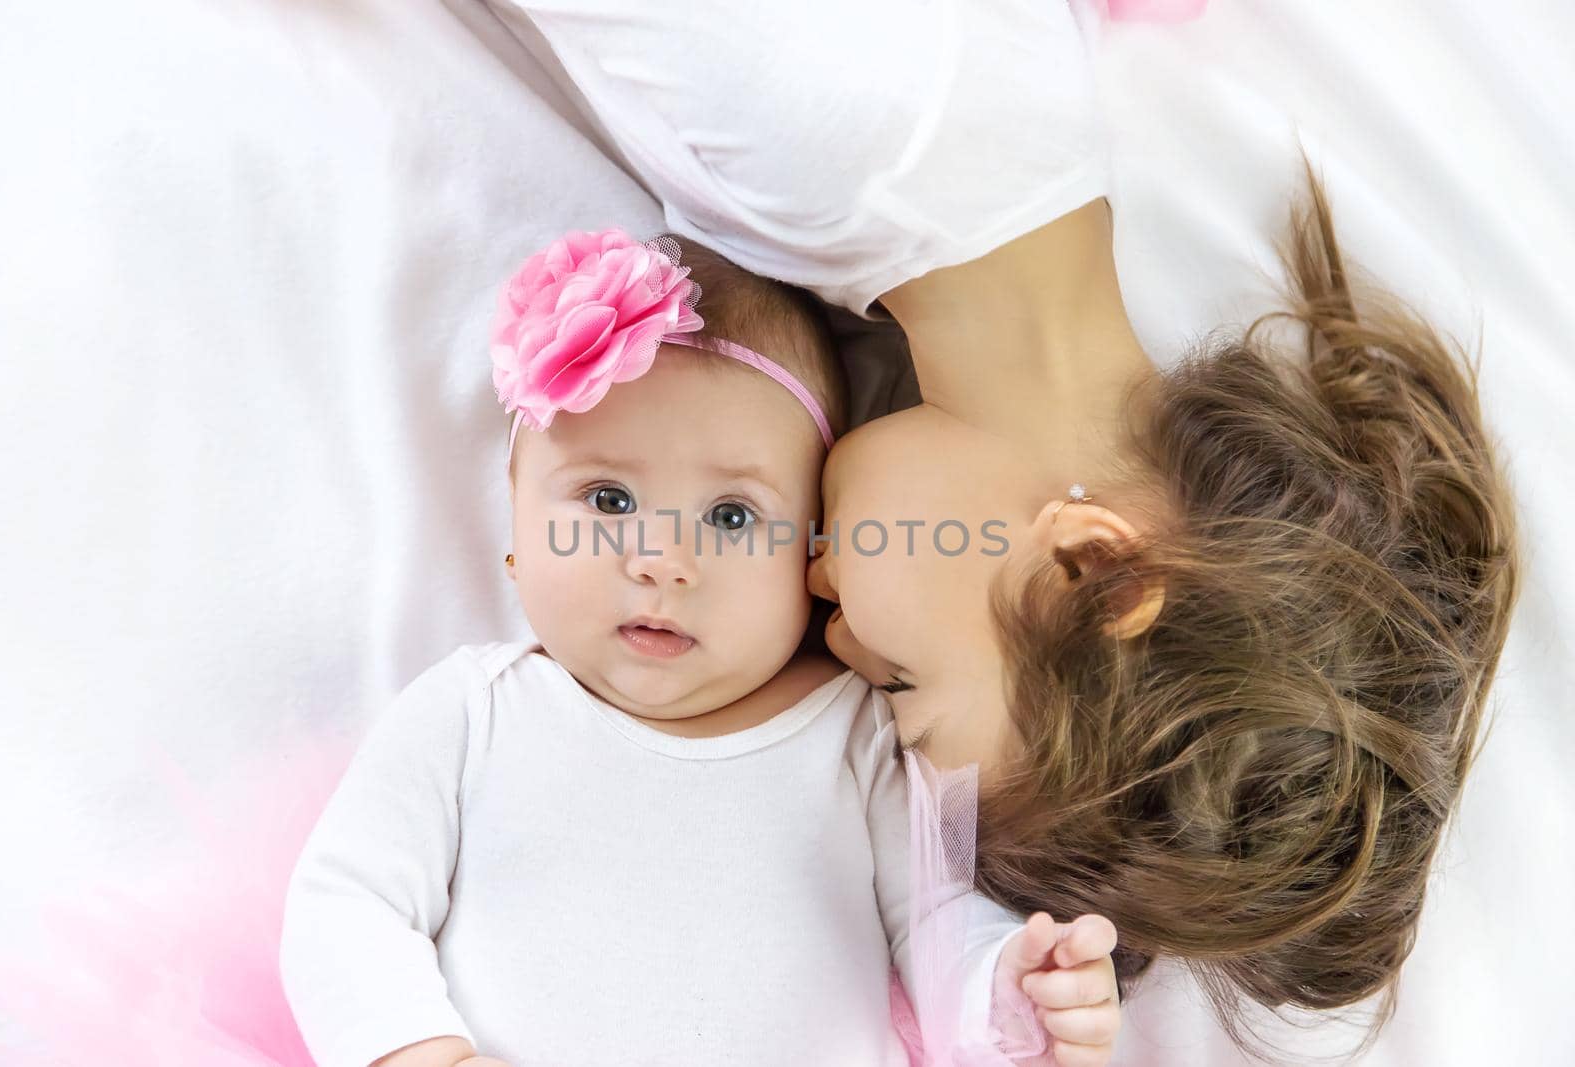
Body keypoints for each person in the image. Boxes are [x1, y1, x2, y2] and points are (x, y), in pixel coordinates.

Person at [499, 0, 1521, 1044]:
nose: (824, 621)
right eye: (904, 684)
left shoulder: (988, 161)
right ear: (1092, 566)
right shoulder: (829, 130)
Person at [279, 230, 1126, 1067]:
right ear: (517, 516)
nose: (661, 561)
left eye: (732, 516)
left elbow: (939, 919)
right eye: (607, 498)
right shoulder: (474, 713)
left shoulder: (859, 733)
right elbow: (347, 898)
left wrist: (1011, 993)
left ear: (813, 550)